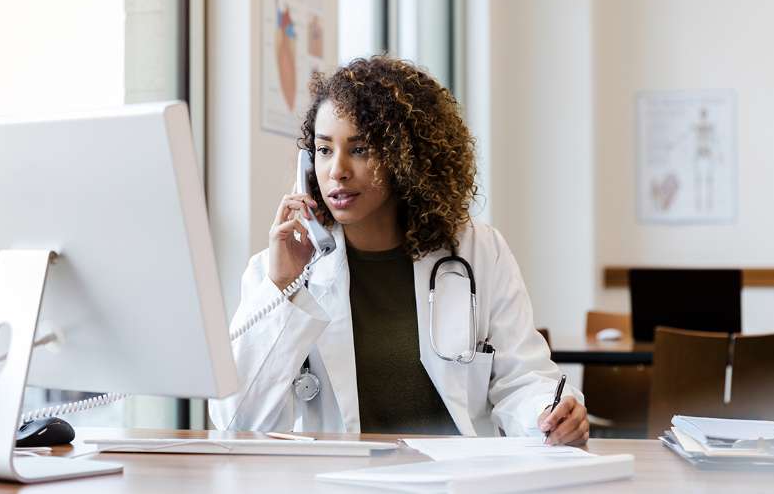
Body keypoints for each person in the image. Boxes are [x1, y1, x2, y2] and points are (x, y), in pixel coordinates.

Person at [209, 56, 588, 444]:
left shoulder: (478, 250)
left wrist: (548, 414)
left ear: (406, 159)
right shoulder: (280, 268)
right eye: (324, 151)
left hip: (457, 478)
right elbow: (238, 421)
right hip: (340, 482)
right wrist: (282, 286)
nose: (337, 170)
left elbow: (522, 377)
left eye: (359, 149)